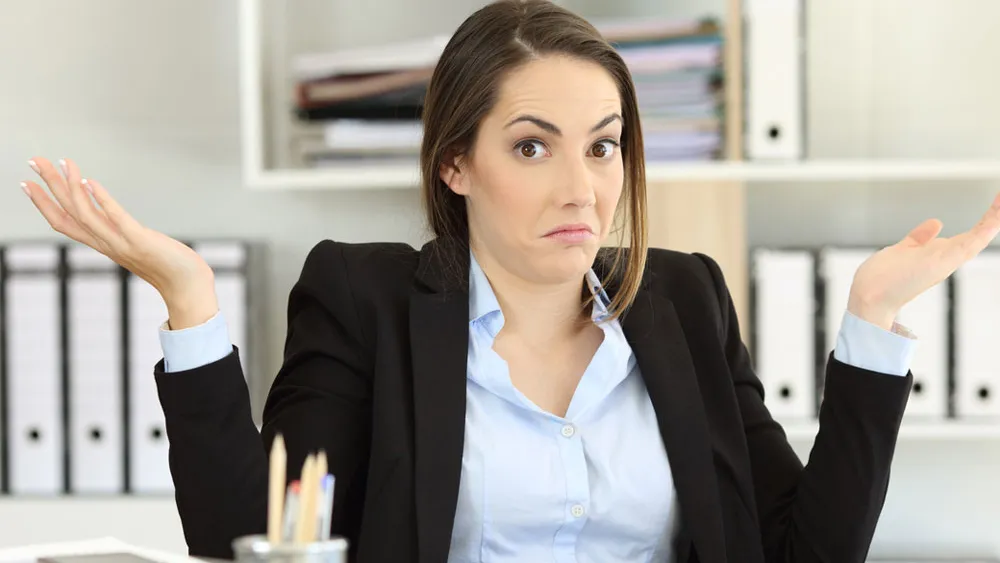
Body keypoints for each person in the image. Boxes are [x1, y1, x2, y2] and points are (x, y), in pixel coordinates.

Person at [20, 1, 1000, 562]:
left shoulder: (685, 299)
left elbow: (802, 555)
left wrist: (872, 323)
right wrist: (189, 304)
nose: (582, 185)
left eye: (605, 146)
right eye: (532, 146)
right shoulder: (364, 298)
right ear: (456, 163)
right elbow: (259, 538)